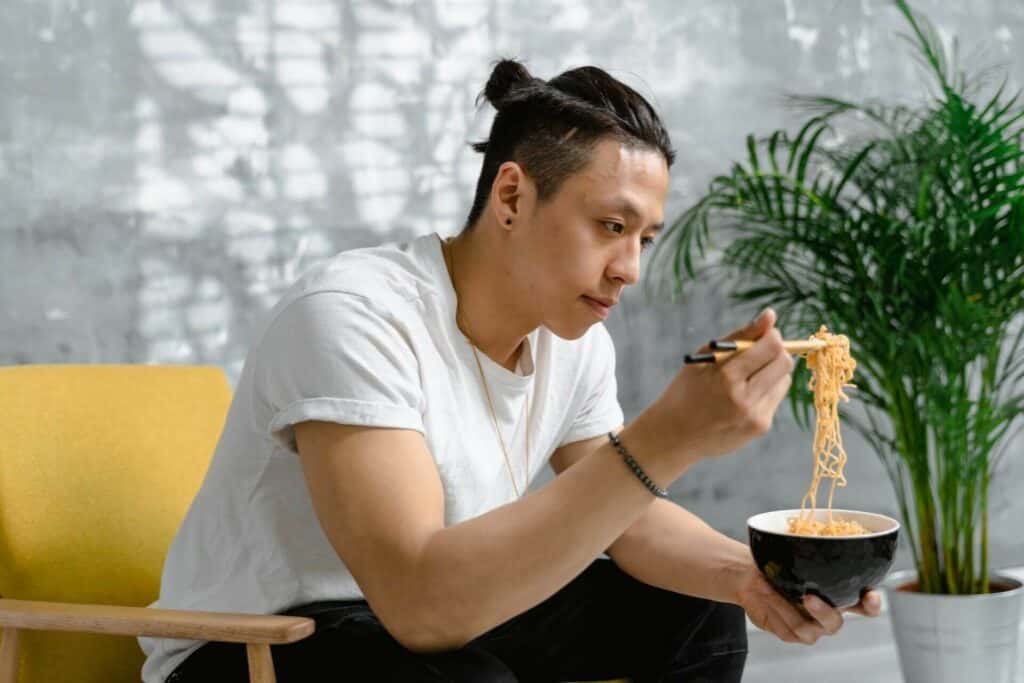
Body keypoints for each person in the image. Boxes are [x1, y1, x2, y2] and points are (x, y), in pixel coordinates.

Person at [140, 59, 883, 683]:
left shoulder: (575, 339)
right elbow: (420, 603)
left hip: (430, 612)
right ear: (512, 195)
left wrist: (758, 577)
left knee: (700, 616)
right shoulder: (352, 315)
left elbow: (627, 519)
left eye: (646, 238)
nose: (629, 269)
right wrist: (670, 437)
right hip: (254, 643)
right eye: (611, 226)